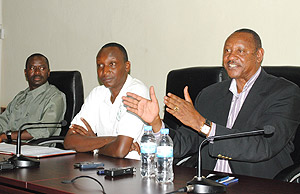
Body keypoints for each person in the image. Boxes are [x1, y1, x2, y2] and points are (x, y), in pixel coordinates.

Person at [122, 29, 300, 179]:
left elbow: (263, 146)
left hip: (259, 184)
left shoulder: (284, 92)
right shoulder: (210, 95)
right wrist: (155, 123)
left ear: (259, 55)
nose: (231, 57)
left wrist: (203, 125)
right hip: (210, 182)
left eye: (240, 51)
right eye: (227, 51)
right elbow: (185, 144)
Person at [63, 42, 149, 159]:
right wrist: (113, 140)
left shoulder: (136, 92)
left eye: (112, 64)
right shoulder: (97, 93)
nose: (105, 71)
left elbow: (120, 151)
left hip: (133, 168)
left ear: (127, 66)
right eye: (100, 65)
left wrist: (92, 145)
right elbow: (69, 141)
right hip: (102, 165)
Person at [0, 53, 66, 143]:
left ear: (48, 72)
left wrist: (8, 136)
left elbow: (44, 130)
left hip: (36, 149)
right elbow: (3, 121)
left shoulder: (55, 96)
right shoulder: (20, 97)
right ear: (25, 72)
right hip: (10, 146)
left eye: (42, 68)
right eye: (32, 68)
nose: (37, 72)